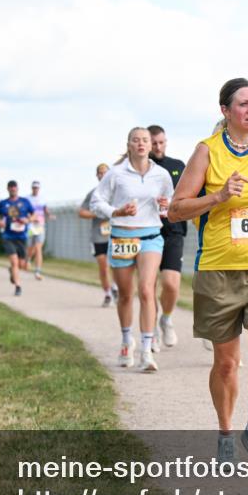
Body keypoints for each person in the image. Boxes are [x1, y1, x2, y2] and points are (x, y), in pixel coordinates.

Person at [167, 77, 248, 467]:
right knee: (225, 363)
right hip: (219, 269)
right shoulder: (207, 152)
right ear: (225, 111)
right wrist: (220, 196)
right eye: (243, 104)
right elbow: (176, 209)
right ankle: (225, 433)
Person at [91, 128, 174, 372]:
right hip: (121, 237)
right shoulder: (116, 173)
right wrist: (116, 212)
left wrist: (165, 206)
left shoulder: (161, 175)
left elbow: (170, 206)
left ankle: (146, 351)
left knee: (147, 289)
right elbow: (97, 201)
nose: (141, 144)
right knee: (126, 294)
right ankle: (127, 340)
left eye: (145, 140)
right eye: (136, 140)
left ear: (151, 146)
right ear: (128, 145)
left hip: (150, 236)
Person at [148, 124, 187, 349]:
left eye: (162, 142)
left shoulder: (177, 166)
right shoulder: (142, 169)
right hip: (148, 231)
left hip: (174, 231)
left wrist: (172, 203)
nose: (158, 147)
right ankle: (150, 328)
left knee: (171, 284)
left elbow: (187, 195)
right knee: (149, 284)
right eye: (154, 143)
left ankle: (166, 318)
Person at [79, 163, 118, 307]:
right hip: (98, 235)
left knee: (116, 264)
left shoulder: (117, 191)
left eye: (105, 172)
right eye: (100, 173)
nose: (102, 175)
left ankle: (115, 287)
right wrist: (97, 213)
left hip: (115, 233)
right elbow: (81, 212)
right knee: (103, 266)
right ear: (97, 176)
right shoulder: (93, 193)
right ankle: (107, 293)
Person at [0, 180, 35, 297]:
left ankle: (12, 271)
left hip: (22, 237)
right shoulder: (3, 203)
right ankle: (18, 286)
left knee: (21, 264)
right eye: (10, 187)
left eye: (14, 187)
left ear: (17, 188)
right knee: (14, 262)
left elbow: (34, 214)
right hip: (8, 236)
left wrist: (28, 220)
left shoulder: (25, 202)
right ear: (8, 189)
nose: (13, 189)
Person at [26, 180, 53, 280]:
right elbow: (25, 211)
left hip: (40, 226)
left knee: (38, 248)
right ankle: (28, 259)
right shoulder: (27, 199)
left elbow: (45, 209)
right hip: (30, 226)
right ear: (31, 188)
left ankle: (37, 271)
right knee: (30, 247)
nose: (35, 189)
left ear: (39, 188)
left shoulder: (43, 199)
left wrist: (49, 215)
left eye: (37, 187)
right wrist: (31, 218)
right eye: (34, 187)